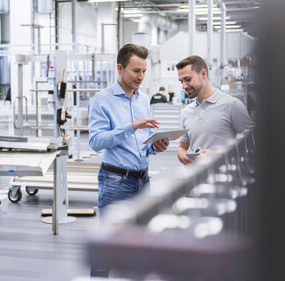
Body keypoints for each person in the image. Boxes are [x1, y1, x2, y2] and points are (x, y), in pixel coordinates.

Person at [88, 44, 169, 277]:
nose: (141, 77)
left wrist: (155, 146)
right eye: (136, 71)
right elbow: (95, 141)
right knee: (107, 250)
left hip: (143, 181)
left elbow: (142, 141)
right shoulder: (102, 101)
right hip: (116, 182)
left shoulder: (142, 100)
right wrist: (131, 126)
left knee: (139, 248)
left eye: (143, 71)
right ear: (120, 68)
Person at [176, 55, 253, 164]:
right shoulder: (186, 112)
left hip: (228, 178)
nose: (184, 86)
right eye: (181, 81)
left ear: (203, 74)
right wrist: (185, 158)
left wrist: (218, 155)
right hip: (199, 179)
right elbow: (182, 148)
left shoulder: (233, 105)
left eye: (188, 79)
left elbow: (252, 144)